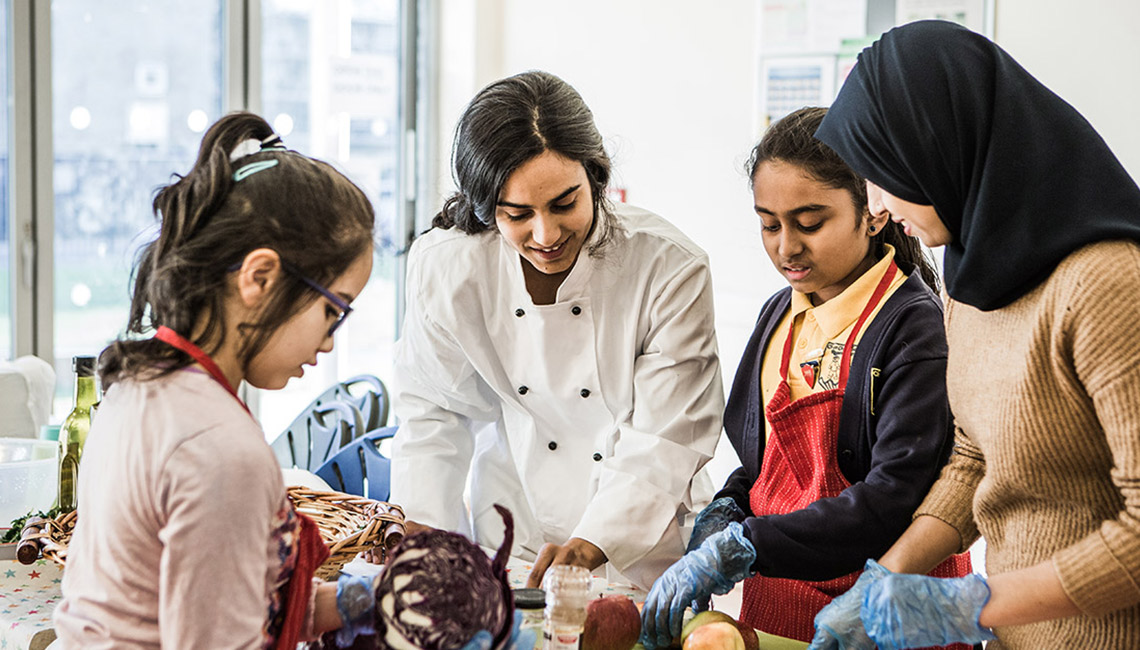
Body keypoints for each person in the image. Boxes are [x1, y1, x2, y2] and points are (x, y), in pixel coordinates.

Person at [805, 20, 1140, 650]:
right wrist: (884, 581)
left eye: (883, 174)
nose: (877, 207)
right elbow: (973, 458)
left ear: (938, 147)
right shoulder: (968, 277)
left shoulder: (1106, 284)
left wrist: (972, 604)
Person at [639, 106, 974, 649]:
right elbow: (770, 467)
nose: (786, 247)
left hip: (878, 610)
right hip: (781, 605)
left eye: (810, 223)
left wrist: (748, 544)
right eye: (769, 224)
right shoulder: (778, 316)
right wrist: (729, 507)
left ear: (874, 211)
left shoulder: (913, 328)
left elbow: (894, 497)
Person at [52, 111, 384, 649]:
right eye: (333, 312)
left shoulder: (139, 388)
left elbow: (231, 605)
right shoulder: (219, 450)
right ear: (258, 277)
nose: (329, 344)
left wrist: (367, 598)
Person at [389, 70, 723, 591]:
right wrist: (421, 537)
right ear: (484, 206)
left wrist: (594, 542)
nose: (545, 235)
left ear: (596, 177)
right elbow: (435, 414)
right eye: (517, 214)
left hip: (639, 542)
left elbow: (667, 435)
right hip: (513, 531)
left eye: (565, 204)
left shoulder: (667, 266)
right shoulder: (449, 267)